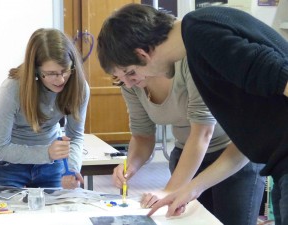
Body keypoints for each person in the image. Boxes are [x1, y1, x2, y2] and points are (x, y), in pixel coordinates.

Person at [97, 4, 288, 225]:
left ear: (142, 54)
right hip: (279, 164)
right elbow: (245, 144)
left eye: (131, 73)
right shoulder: (198, 54)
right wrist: (190, 189)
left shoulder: (202, 32)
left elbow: (280, 74)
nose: (132, 83)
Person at [111, 56, 265, 225]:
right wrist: (131, 164)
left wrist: (169, 190)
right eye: (119, 77)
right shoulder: (129, 84)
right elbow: (142, 135)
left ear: (143, 55)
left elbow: (202, 132)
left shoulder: (188, 62)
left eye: (130, 73)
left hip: (231, 154)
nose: (127, 82)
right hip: (187, 154)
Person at [0, 28, 90, 189]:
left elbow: (75, 137)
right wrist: (46, 153)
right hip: (7, 165)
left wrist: (71, 168)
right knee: (6, 213)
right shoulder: (13, 88)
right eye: (51, 73)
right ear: (35, 69)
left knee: (60, 210)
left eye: (66, 71)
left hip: (51, 164)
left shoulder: (79, 87)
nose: (61, 79)